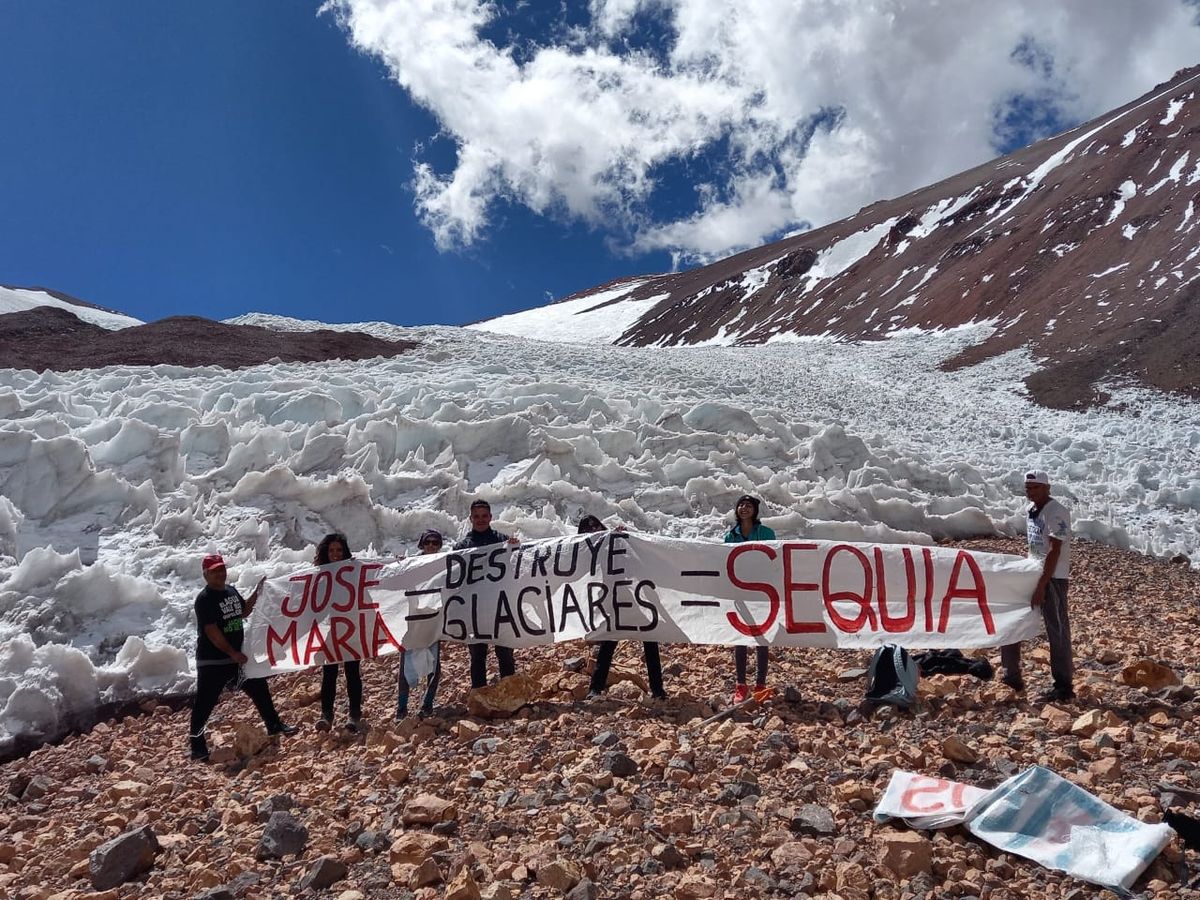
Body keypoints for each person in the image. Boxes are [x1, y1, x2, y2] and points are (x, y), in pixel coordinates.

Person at [189, 553, 296, 760]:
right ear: (205, 574)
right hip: (213, 662)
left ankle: (274, 725)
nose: (220, 573)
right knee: (205, 703)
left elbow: (244, 611)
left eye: (222, 569)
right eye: (215, 571)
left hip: (235, 659)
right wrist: (232, 653)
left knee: (258, 687)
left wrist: (258, 592)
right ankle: (197, 746)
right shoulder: (204, 600)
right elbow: (211, 632)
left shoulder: (230, 591)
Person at [1000, 471, 1075, 702]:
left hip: (1053, 577)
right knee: (1013, 618)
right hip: (1031, 571)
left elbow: (1055, 549)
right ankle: (1011, 675)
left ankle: (1063, 685)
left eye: (1035, 487)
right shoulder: (1030, 509)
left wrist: (1043, 584)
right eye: (1028, 487)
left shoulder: (1057, 511)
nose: (1030, 491)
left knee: (1057, 629)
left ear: (1047, 488)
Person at [579, 515, 667, 701]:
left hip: (634, 599)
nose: (593, 530)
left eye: (595, 525)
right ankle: (595, 688)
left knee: (650, 642)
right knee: (607, 645)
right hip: (613, 603)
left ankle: (658, 690)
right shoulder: (584, 552)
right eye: (587, 528)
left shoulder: (616, 541)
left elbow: (639, 557)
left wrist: (625, 536)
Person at [454, 500, 520, 688]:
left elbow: (518, 565)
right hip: (475, 610)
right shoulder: (461, 547)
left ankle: (509, 692)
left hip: (500, 607)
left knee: (505, 653)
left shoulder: (502, 541)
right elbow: (452, 575)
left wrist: (515, 547)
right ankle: (479, 695)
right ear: (471, 519)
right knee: (477, 656)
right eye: (477, 516)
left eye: (484, 516)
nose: (481, 520)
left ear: (491, 517)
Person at [724, 495, 777, 704]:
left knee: (761, 638)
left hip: (762, 593)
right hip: (740, 592)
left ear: (755, 511)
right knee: (741, 638)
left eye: (748, 506)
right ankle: (741, 685)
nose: (744, 508)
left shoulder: (766, 533)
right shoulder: (730, 536)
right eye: (741, 505)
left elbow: (775, 559)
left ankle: (760, 685)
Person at [313, 533, 364, 732]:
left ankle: (354, 715)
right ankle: (326, 715)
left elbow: (375, 575)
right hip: (330, 631)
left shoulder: (352, 571)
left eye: (339, 550)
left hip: (350, 629)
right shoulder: (319, 575)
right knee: (329, 673)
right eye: (332, 550)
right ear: (326, 552)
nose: (335, 554)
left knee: (352, 673)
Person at [396, 529, 445, 719]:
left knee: (434, 665)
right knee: (406, 666)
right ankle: (401, 708)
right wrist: (398, 564)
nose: (431, 546)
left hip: (433, 621)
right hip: (412, 623)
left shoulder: (444, 564)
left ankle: (427, 704)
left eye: (435, 543)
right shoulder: (410, 565)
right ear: (422, 545)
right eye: (428, 543)